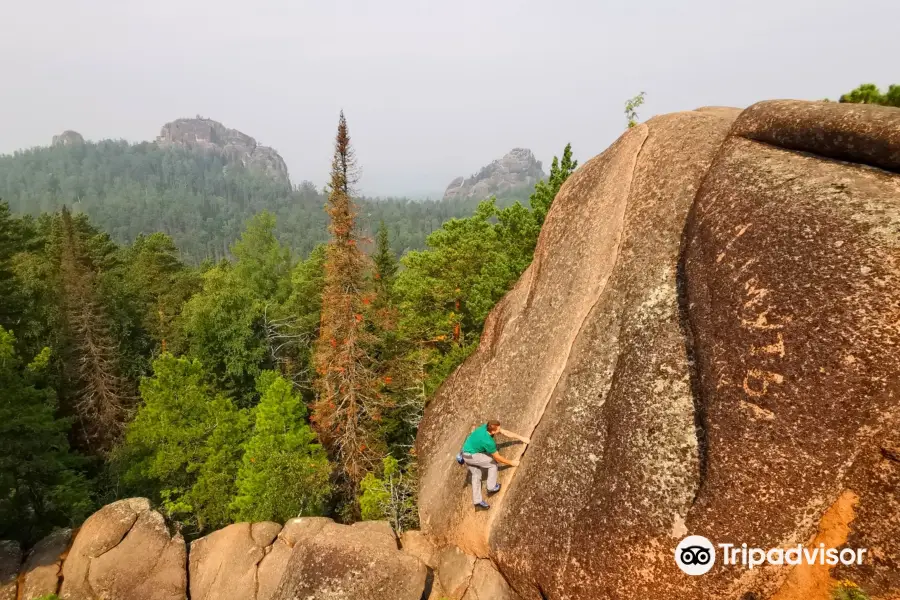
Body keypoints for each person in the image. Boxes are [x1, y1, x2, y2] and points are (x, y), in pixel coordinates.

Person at [461, 420, 530, 509]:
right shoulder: (488, 442)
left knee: (476, 474)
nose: (500, 429)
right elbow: (498, 458)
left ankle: (477, 502)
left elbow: (505, 432)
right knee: (492, 464)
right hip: (471, 455)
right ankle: (491, 487)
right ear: (493, 431)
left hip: (466, 451)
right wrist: (512, 463)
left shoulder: (487, 426)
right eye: (498, 429)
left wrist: (522, 438)